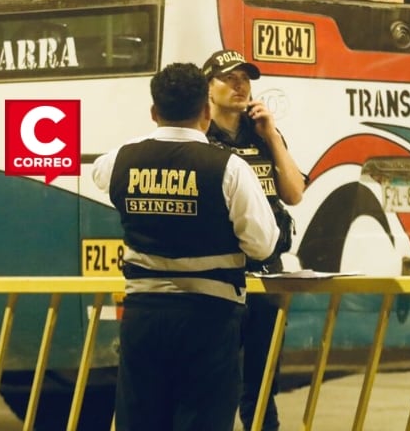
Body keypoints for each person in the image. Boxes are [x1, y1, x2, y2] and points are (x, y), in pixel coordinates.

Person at [93, 62, 287, 431]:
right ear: (205, 111)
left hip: (143, 316)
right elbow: (262, 245)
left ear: (154, 112)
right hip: (209, 320)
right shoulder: (229, 168)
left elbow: (99, 172)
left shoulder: (123, 159)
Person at [201, 49, 307, 431]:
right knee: (215, 381)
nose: (239, 85)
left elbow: (294, 193)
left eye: (244, 78)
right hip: (220, 274)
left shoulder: (262, 135)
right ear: (207, 88)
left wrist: (272, 136)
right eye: (229, 78)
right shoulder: (200, 137)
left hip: (267, 274)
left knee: (261, 386)